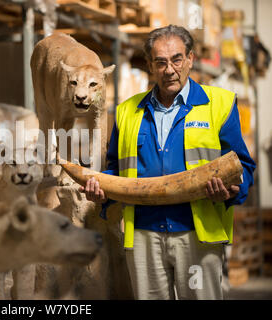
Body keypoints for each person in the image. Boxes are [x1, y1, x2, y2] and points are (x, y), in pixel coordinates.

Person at [79, 25, 256, 300]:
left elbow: (242, 166)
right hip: (143, 234)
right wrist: (101, 190)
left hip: (196, 235)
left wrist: (233, 190)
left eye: (176, 59)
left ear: (190, 60)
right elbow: (115, 167)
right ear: (150, 65)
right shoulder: (127, 111)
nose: (169, 69)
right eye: (160, 62)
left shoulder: (218, 104)